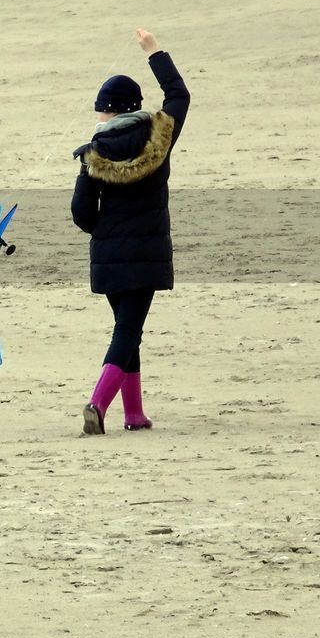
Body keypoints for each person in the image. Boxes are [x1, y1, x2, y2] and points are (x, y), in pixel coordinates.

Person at [71, 28, 191, 435]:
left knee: (128, 330)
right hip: (146, 254)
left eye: (101, 111)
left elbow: (81, 213)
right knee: (129, 330)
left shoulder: (93, 152)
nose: (99, 118)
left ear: (110, 109)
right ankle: (98, 403)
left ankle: (133, 414)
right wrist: (154, 51)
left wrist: (104, 231)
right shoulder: (159, 135)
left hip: (108, 258)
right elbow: (179, 96)